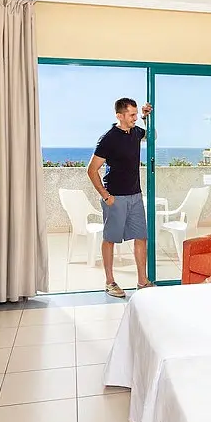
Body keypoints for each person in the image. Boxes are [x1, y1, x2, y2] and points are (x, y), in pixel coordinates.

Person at [87, 97, 153, 298]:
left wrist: (146, 117)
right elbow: (92, 170)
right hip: (115, 197)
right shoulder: (108, 139)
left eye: (136, 114)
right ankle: (110, 282)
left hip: (135, 196)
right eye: (132, 115)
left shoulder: (135, 132)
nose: (135, 118)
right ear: (120, 116)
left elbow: (153, 135)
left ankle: (142, 281)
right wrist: (106, 196)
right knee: (110, 239)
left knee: (141, 237)